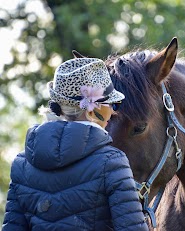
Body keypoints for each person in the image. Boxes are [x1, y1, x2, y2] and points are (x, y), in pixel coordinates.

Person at [2, 58, 149, 231]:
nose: (114, 111)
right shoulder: (112, 162)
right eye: (113, 103)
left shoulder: (22, 163)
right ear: (92, 109)